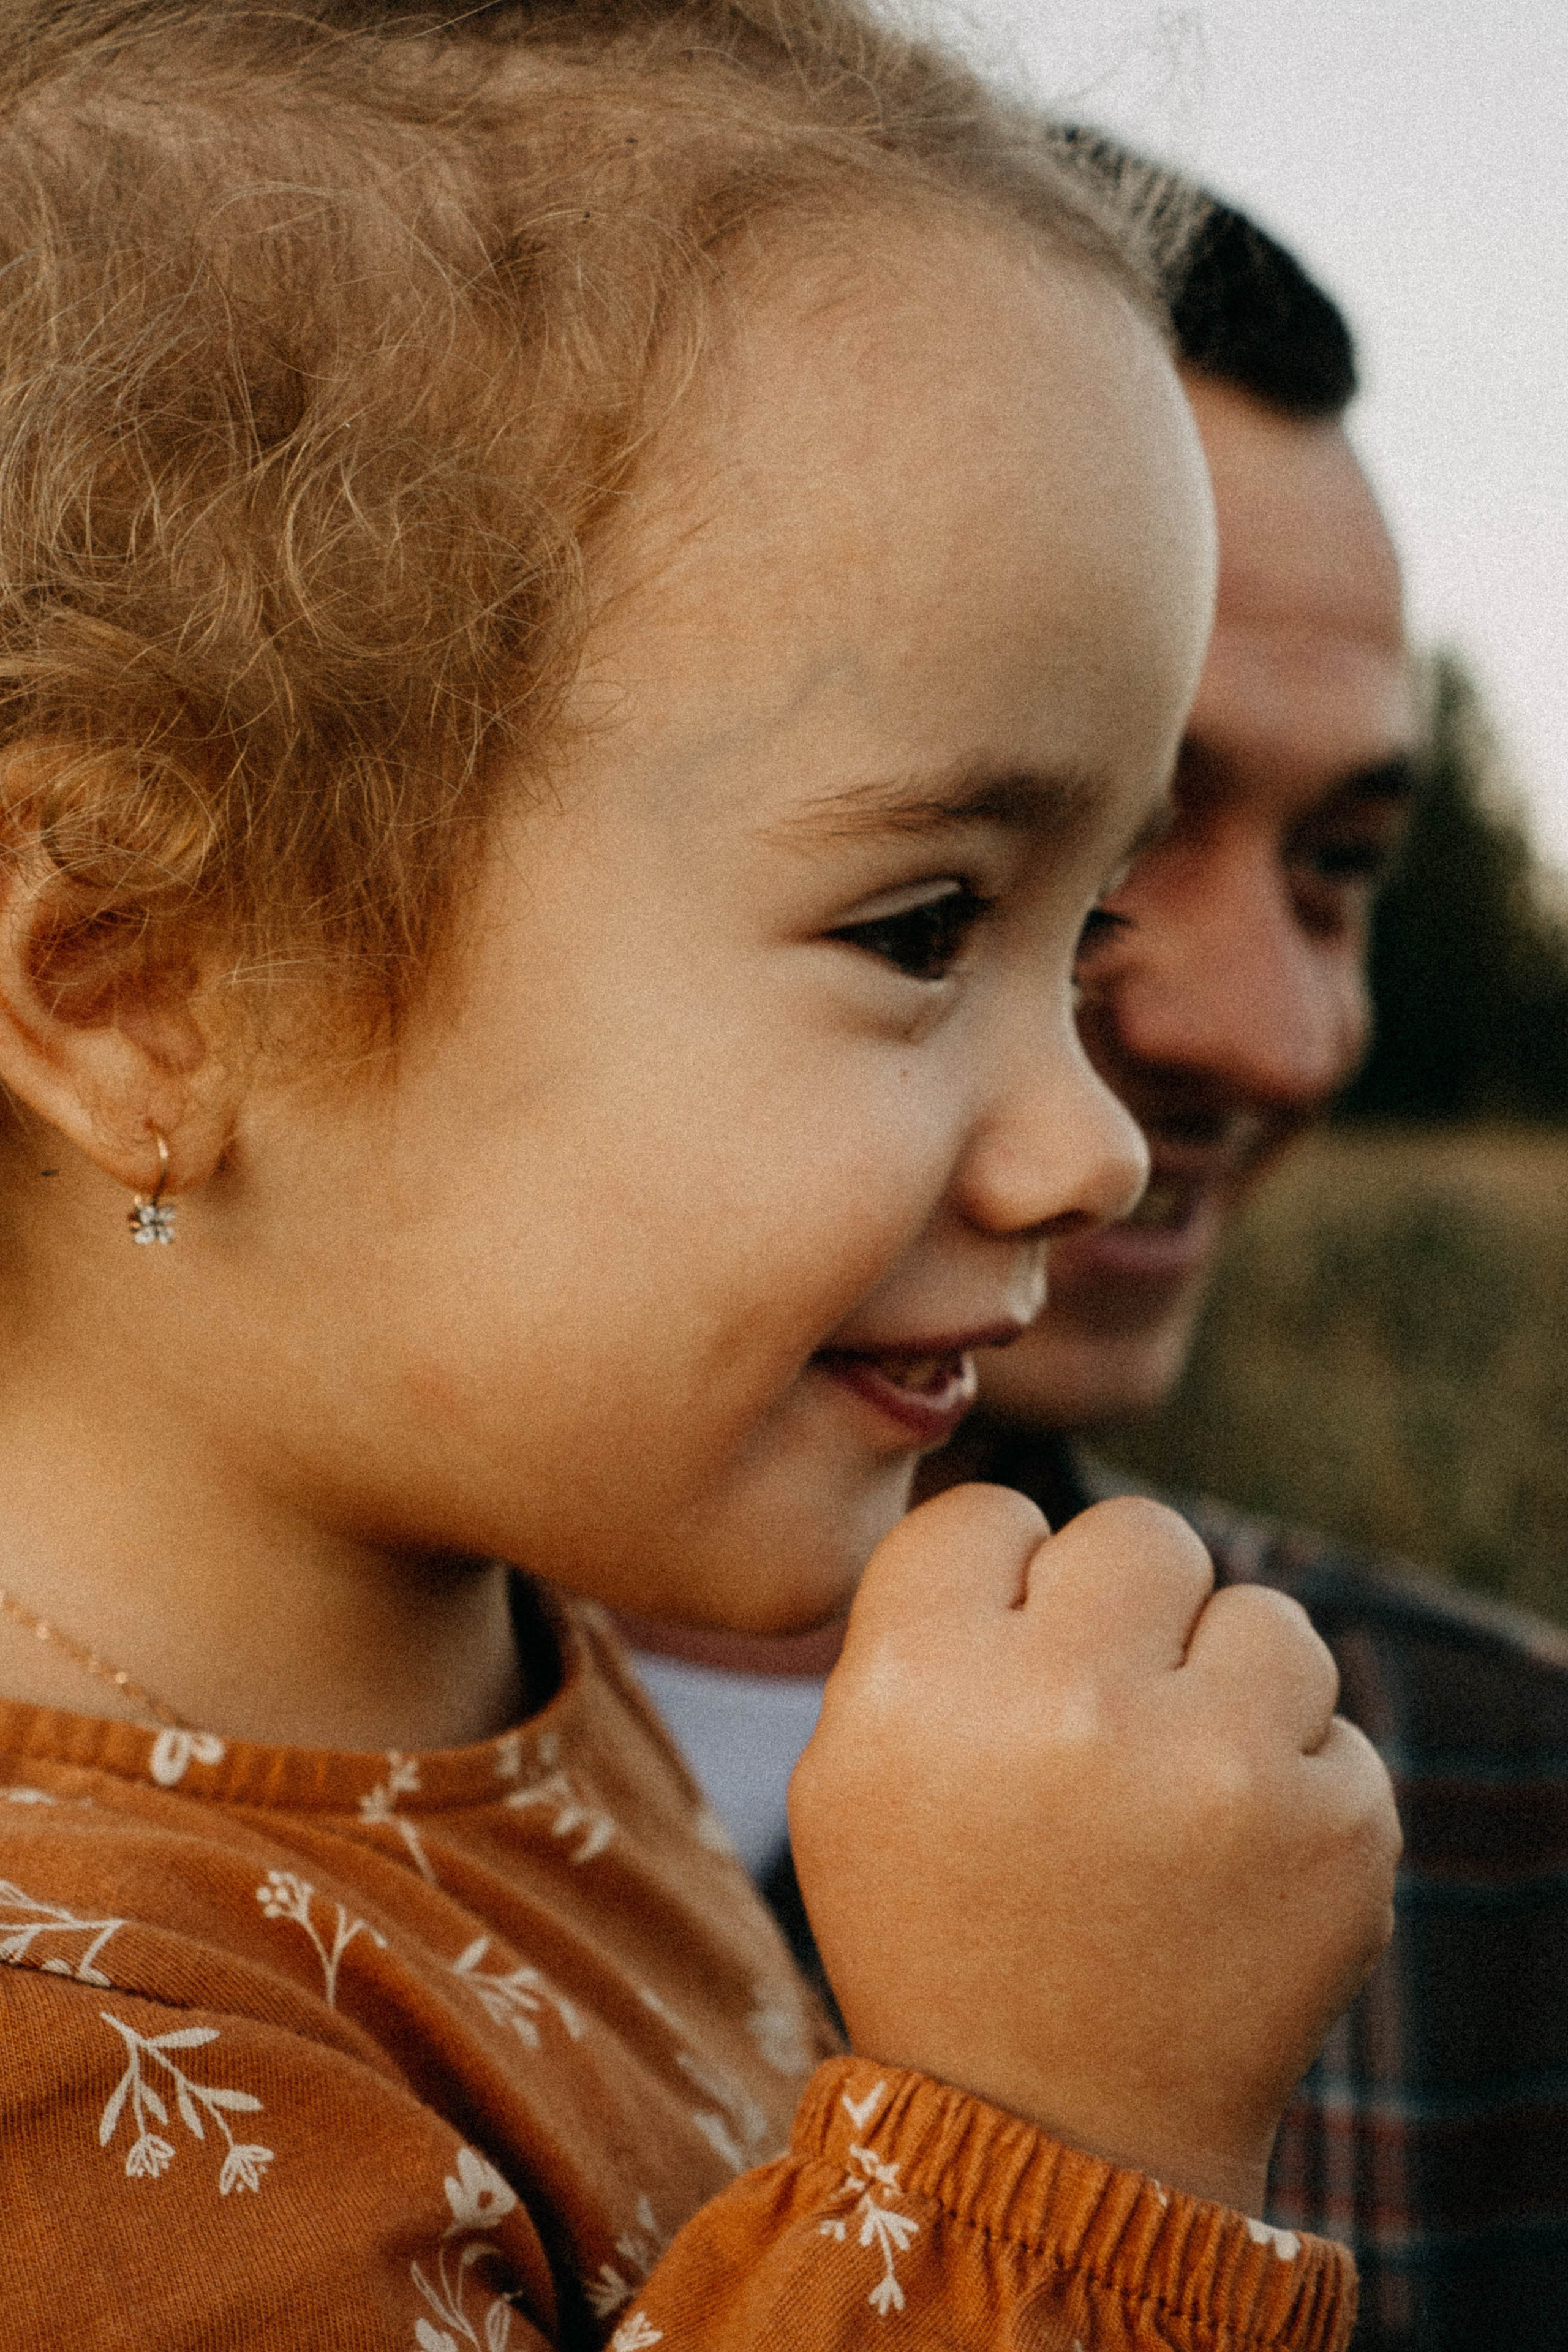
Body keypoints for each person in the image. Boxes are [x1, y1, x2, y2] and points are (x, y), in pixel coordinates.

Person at [0, 5, 1400, 2346]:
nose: (1090, 1144)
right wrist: (1050, 2144)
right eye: (921, 927)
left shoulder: (507, 1690)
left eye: (1080, 934)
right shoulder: (64, 2068)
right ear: (141, 985)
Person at [628, 189, 1568, 2352]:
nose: (1277, 1034)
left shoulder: (1488, 1811)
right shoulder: (160, 1867)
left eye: (1341, 869)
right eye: (1105, 842)